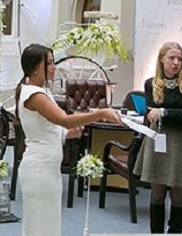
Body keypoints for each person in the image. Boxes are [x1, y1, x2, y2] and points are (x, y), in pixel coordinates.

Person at [15, 44, 121, 236]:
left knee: (47, 226)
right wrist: (101, 113)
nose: (54, 67)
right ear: (34, 67)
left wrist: (66, 135)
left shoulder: (41, 90)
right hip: (39, 168)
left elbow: (45, 129)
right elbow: (63, 120)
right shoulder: (34, 94)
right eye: (49, 63)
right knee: (40, 228)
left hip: (48, 167)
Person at [134, 41, 182, 233]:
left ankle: (175, 232)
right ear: (162, 59)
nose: (176, 62)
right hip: (158, 140)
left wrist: (165, 112)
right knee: (157, 193)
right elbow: (151, 113)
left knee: (178, 193)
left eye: (179, 59)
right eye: (171, 58)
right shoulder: (150, 83)